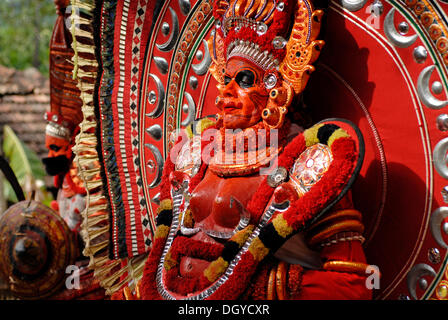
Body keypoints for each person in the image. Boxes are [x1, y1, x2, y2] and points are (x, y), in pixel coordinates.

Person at [114, 0, 371, 300]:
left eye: (245, 79)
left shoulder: (310, 160)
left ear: (278, 84)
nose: (226, 91)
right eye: (225, 79)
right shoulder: (194, 153)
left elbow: (352, 283)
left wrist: (261, 290)